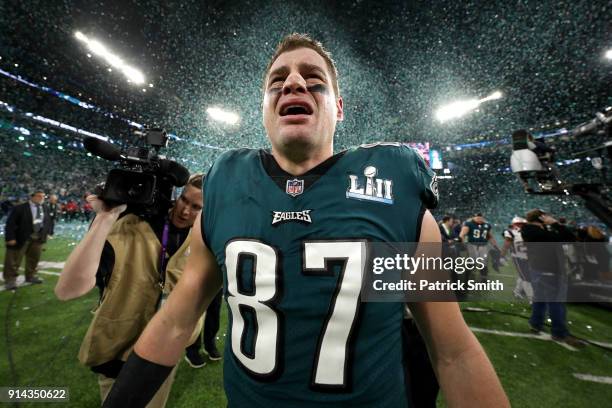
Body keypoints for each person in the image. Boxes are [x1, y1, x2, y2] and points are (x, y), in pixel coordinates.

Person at [103, 33, 509, 408]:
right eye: (277, 80)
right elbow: (176, 321)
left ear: (339, 106)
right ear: (264, 107)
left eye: (314, 78)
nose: (293, 83)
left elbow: (452, 352)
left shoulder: (395, 189)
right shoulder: (225, 183)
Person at [55, 174, 205, 407]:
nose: (185, 211)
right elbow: (67, 290)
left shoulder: (206, 241)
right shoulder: (130, 227)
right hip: (117, 345)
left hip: (164, 349)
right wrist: (106, 217)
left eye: (197, 207)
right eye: (184, 200)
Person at [521, 209, 583, 347]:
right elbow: (569, 237)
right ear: (542, 217)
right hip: (550, 270)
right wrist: (555, 224)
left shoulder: (529, 230)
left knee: (540, 298)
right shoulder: (540, 232)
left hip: (537, 269)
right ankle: (559, 333)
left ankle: (535, 324)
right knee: (556, 302)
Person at [3, 190, 52, 290]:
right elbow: (10, 223)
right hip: (20, 237)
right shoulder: (20, 208)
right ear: (32, 197)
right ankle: (10, 280)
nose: (41, 198)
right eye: (39, 196)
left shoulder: (44, 207)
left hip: (38, 237)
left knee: (34, 258)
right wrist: (10, 238)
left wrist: (48, 232)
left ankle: (31, 276)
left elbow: (48, 221)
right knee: (13, 260)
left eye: (43, 196)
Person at [184, 290, 223, 367]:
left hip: (216, 279)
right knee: (195, 311)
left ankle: (210, 345)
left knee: (214, 310)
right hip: (193, 279)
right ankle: (192, 350)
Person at [459, 212, 499, 282]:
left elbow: (490, 237)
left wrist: (495, 246)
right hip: (472, 245)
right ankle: (466, 280)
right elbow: (462, 235)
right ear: (474, 217)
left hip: (483, 246)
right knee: (471, 263)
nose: (479, 219)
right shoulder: (469, 224)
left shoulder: (487, 225)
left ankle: (484, 280)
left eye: (481, 217)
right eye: (478, 217)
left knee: (483, 264)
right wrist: (463, 245)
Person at [501, 216, 533, 301]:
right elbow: (506, 244)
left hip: (529, 257)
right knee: (526, 277)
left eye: (522, 224)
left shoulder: (529, 232)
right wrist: (502, 256)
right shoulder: (510, 232)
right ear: (514, 224)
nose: (521, 225)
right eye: (519, 224)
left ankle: (517, 291)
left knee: (523, 275)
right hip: (518, 257)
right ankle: (532, 299)